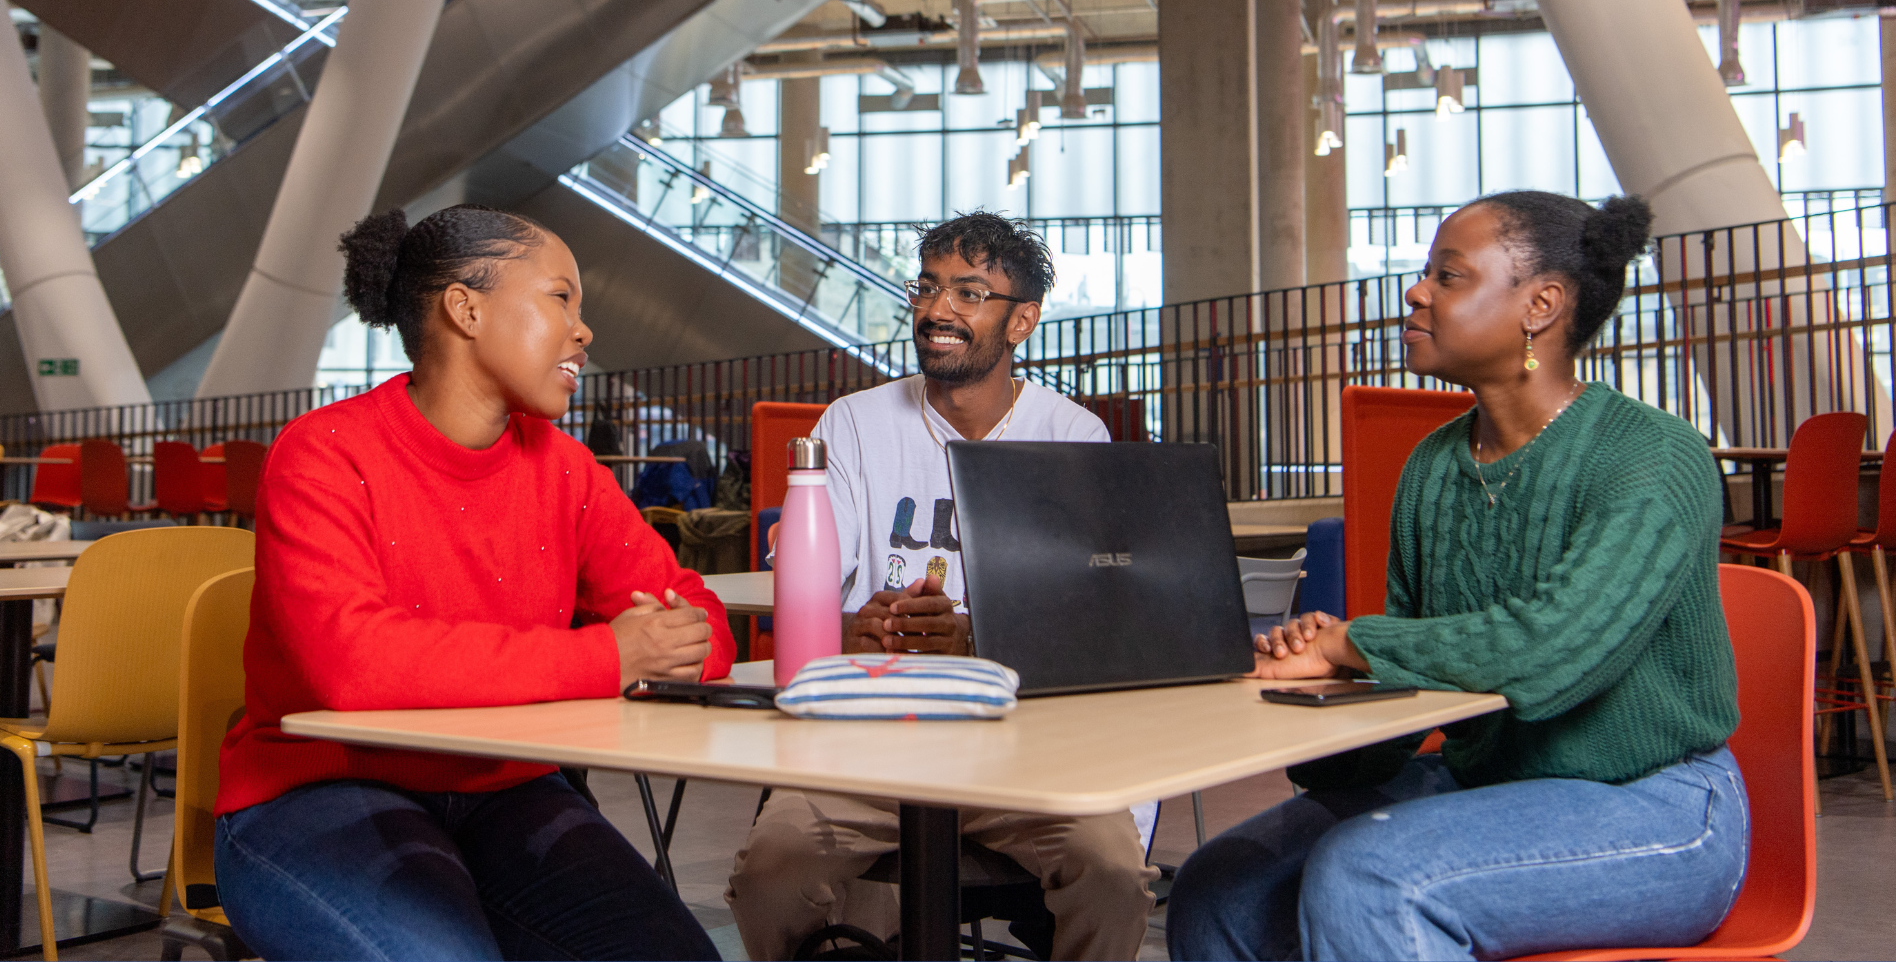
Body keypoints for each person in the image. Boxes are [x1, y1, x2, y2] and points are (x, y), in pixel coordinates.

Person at [1165, 192, 1748, 961]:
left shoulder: (1651, 456)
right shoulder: (1434, 467)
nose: (1416, 291)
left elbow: (1553, 651)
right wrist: (1310, 699)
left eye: (1449, 276)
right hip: (1490, 786)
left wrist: (1353, 646)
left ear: (1540, 305)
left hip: (1658, 808)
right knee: (1220, 885)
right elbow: (1406, 701)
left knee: (1370, 877)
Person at [214, 205, 732, 961]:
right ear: (465, 307)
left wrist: (674, 643)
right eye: (561, 298)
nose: (584, 330)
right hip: (316, 795)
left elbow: (702, 621)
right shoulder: (323, 454)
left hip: (509, 790)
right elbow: (354, 668)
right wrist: (612, 657)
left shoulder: (564, 467)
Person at [725, 212, 1157, 961]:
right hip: (869, 740)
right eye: (926, 289)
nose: (936, 311)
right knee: (771, 873)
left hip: (1025, 745)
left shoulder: (1072, 437)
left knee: (1113, 875)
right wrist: (860, 624)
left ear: (1022, 320)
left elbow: (1088, 624)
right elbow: (817, 597)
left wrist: (975, 639)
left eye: (968, 292)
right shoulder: (853, 424)